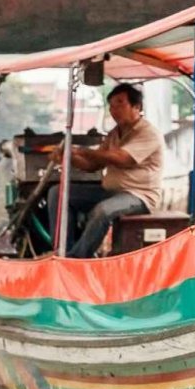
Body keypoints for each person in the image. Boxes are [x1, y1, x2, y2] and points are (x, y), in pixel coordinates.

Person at [44, 82, 165, 258]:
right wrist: (68, 157)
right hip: (112, 191)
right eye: (112, 106)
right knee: (58, 192)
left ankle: (76, 258)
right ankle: (61, 251)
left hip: (139, 196)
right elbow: (93, 165)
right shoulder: (114, 134)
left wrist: (82, 151)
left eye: (120, 104)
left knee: (103, 210)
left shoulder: (148, 133)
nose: (114, 110)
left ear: (136, 107)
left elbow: (122, 158)